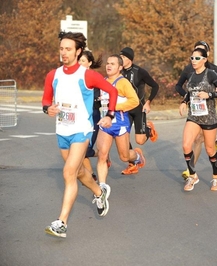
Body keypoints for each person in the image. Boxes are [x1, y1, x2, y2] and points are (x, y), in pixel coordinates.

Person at [42, 31, 118, 238]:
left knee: (68, 173)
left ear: (78, 51)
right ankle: (99, 192)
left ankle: (62, 222)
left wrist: (110, 115)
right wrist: (48, 109)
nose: (64, 53)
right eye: (61, 48)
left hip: (81, 130)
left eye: (68, 49)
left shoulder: (87, 75)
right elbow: (46, 101)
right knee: (78, 173)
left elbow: (112, 91)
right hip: (62, 131)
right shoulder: (53, 75)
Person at [179, 47, 217, 191]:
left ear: (205, 60)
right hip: (193, 116)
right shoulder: (191, 75)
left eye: (197, 58)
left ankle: (216, 176)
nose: (193, 61)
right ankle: (193, 176)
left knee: (210, 149)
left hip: (208, 118)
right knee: (186, 145)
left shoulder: (211, 74)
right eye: (192, 58)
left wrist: (210, 95)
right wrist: (184, 102)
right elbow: (190, 93)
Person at [96, 54, 141, 189]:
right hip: (105, 125)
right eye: (107, 63)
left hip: (120, 124)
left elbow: (135, 101)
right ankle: (102, 187)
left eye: (112, 64)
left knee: (124, 157)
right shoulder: (103, 81)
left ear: (120, 67)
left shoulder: (123, 82)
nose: (108, 66)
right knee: (102, 156)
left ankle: (137, 156)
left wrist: (114, 107)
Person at [119, 47, 159, 175]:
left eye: (124, 57)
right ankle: (133, 163)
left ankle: (148, 129)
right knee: (122, 137)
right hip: (124, 110)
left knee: (140, 141)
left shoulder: (139, 72)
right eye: (121, 57)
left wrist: (148, 102)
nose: (122, 59)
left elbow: (155, 86)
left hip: (138, 109)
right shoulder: (118, 71)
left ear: (130, 59)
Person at [78, 49, 103, 181]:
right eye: (78, 60)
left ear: (89, 63)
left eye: (83, 61)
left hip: (93, 116)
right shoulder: (74, 78)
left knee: (85, 150)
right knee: (78, 149)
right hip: (78, 117)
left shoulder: (93, 77)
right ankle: (92, 176)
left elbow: (103, 93)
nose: (79, 63)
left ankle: (102, 154)